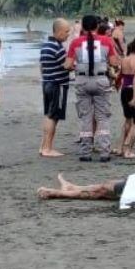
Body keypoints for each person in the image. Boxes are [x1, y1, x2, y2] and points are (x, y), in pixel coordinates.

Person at [67, 16, 119, 162]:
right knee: (102, 117)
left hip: (82, 81)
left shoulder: (75, 42)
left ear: (83, 27)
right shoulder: (106, 41)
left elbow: (68, 64)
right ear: (97, 26)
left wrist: (78, 67)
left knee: (86, 117)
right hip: (101, 80)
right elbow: (114, 62)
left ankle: (85, 152)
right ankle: (104, 152)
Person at [38, 18, 71, 157]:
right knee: (53, 116)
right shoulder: (58, 47)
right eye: (66, 31)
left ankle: (43, 146)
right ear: (58, 31)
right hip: (57, 84)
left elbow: (41, 66)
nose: (68, 34)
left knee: (49, 115)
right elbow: (67, 65)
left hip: (47, 83)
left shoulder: (45, 45)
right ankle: (47, 148)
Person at [114, 37, 135, 159]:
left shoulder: (124, 59)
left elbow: (119, 76)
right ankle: (128, 150)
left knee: (127, 120)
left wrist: (117, 86)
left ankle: (120, 148)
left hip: (124, 91)